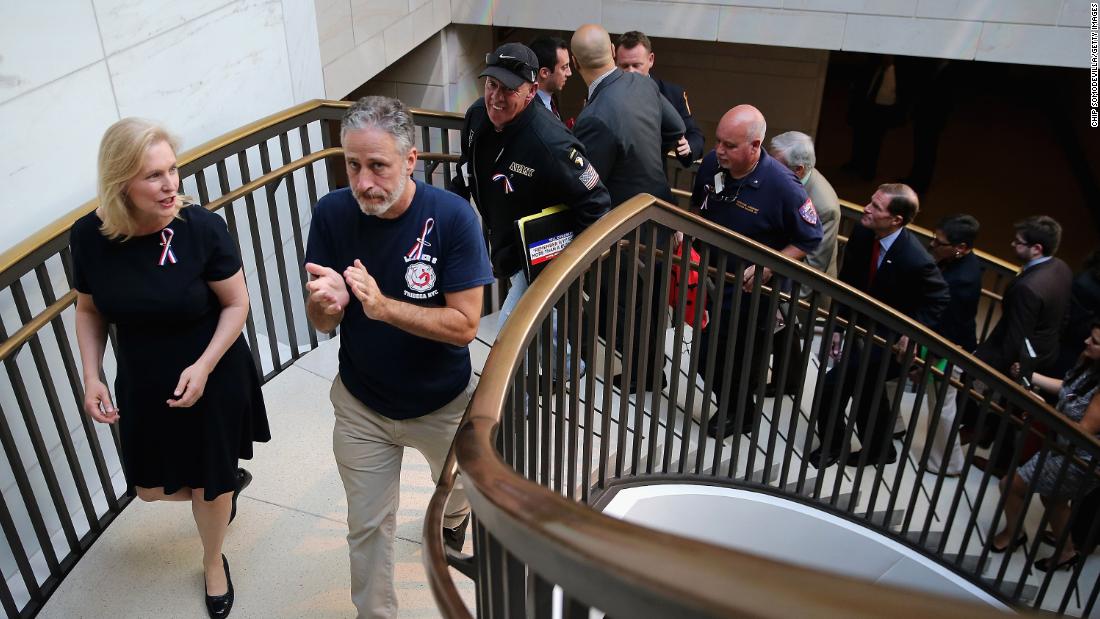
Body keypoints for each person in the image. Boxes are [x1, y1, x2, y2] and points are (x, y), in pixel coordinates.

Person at [304, 97, 493, 618]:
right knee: (367, 528)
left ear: (411, 161)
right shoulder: (332, 212)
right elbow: (322, 322)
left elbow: (464, 327)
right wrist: (326, 307)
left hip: (442, 404)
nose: (364, 181)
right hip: (362, 405)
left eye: (378, 166)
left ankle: (453, 516)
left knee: (457, 488)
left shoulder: (452, 218)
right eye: (353, 164)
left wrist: (382, 307)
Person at [72, 118, 269, 618]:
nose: (170, 186)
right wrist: (91, 375)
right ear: (121, 183)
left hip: (213, 371)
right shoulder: (91, 236)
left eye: (172, 170)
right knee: (149, 490)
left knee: (208, 483)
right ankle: (226, 486)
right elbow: (89, 309)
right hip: (143, 379)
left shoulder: (199, 228)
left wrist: (203, 367)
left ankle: (212, 560)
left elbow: (237, 305)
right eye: (152, 176)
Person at [450, 42, 610, 336]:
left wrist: (576, 262)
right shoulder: (476, 116)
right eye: (491, 85)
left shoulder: (551, 142)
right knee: (542, 328)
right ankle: (571, 367)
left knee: (509, 336)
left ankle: (523, 378)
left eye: (508, 89)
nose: (496, 97)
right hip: (504, 244)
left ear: (532, 92)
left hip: (541, 255)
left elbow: (597, 202)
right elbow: (465, 169)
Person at [690, 105, 822, 438]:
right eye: (718, 141)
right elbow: (698, 207)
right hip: (714, 278)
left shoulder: (783, 187)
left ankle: (739, 414)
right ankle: (738, 409)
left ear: (755, 145)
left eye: (730, 145)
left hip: (754, 294)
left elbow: (809, 237)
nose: (719, 150)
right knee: (705, 358)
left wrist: (768, 265)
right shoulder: (711, 164)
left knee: (740, 361)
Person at [810, 183, 948, 468]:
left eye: (876, 207)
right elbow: (848, 284)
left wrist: (912, 334)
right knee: (869, 390)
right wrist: (837, 326)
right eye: (870, 201)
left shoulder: (916, 259)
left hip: (887, 339)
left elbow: (939, 298)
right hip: (858, 328)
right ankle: (878, 449)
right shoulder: (863, 232)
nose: (867, 209)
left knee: (833, 384)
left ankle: (835, 445)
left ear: (896, 220)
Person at [962, 216, 1073, 473]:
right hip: (1047, 350)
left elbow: (1015, 336)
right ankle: (986, 432)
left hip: (1020, 358)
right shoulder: (1061, 268)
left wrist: (995, 372)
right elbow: (1064, 316)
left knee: (998, 403)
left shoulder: (1029, 288)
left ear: (1037, 249)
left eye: (1019, 242)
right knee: (1009, 411)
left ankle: (990, 446)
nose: (1012, 245)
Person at [990, 321, 1100, 572]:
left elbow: (1081, 432)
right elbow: (1067, 389)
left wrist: (1043, 410)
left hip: (1078, 460)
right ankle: (1066, 551)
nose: (1086, 342)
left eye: (1095, 342)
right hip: (1064, 448)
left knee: (1010, 485)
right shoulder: (1091, 365)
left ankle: (1013, 534)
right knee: (1054, 500)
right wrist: (1031, 375)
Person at [765, 130, 841, 397]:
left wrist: (787, 304)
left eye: (776, 164)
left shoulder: (824, 205)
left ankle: (788, 382)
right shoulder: (784, 178)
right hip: (778, 266)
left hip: (800, 283)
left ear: (798, 169)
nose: (768, 167)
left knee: (787, 335)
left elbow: (814, 263)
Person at [920, 214, 983, 476]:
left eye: (939, 242)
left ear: (961, 248)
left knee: (943, 405)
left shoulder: (961, 281)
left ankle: (947, 463)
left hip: (948, 350)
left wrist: (929, 358)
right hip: (944, 343)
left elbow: (948, 325)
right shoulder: (961, 265)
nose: (933, 245)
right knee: (940, 403)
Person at [614, 30, 705, 166]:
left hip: (654, 177)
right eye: (625, 66)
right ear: (615, 63)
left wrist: (688, 147)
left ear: (650, 60)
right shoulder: (606, 93)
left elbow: (695, 134)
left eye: (636, 65)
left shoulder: (671, 93)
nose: (631, 72)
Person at [528, 35, 572, 121]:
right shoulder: (530, 110)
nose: (569, 73)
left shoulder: (553, 100)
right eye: (564, 67)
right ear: (544, 73)